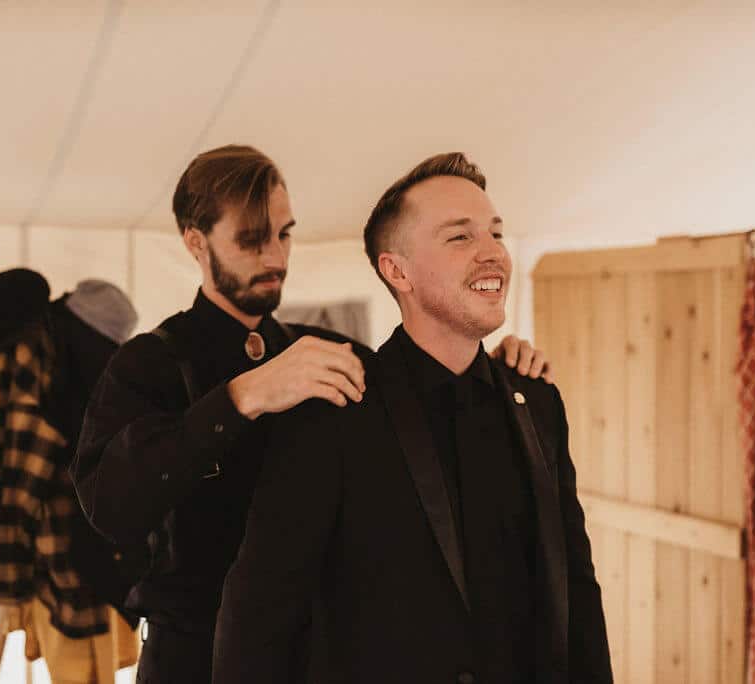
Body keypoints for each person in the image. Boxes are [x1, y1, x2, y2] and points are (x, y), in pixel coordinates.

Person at [72, 145, 553, 684]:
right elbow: (108, 505)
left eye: (285, 234)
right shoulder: (149, 362)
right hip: (191, 657)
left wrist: (498, 373)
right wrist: (241, 398)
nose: (276, 257)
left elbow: (419, 425)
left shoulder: (330, 350)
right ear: (195, 241)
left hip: (317, 656)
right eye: (252, 240)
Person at [212, 152, 611, 684]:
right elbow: (258, 619)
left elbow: (577, 588)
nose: (493, 252)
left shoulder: (537, 401)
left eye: (495, 232)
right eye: (460, 237)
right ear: (397, 270)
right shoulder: (333, 410)